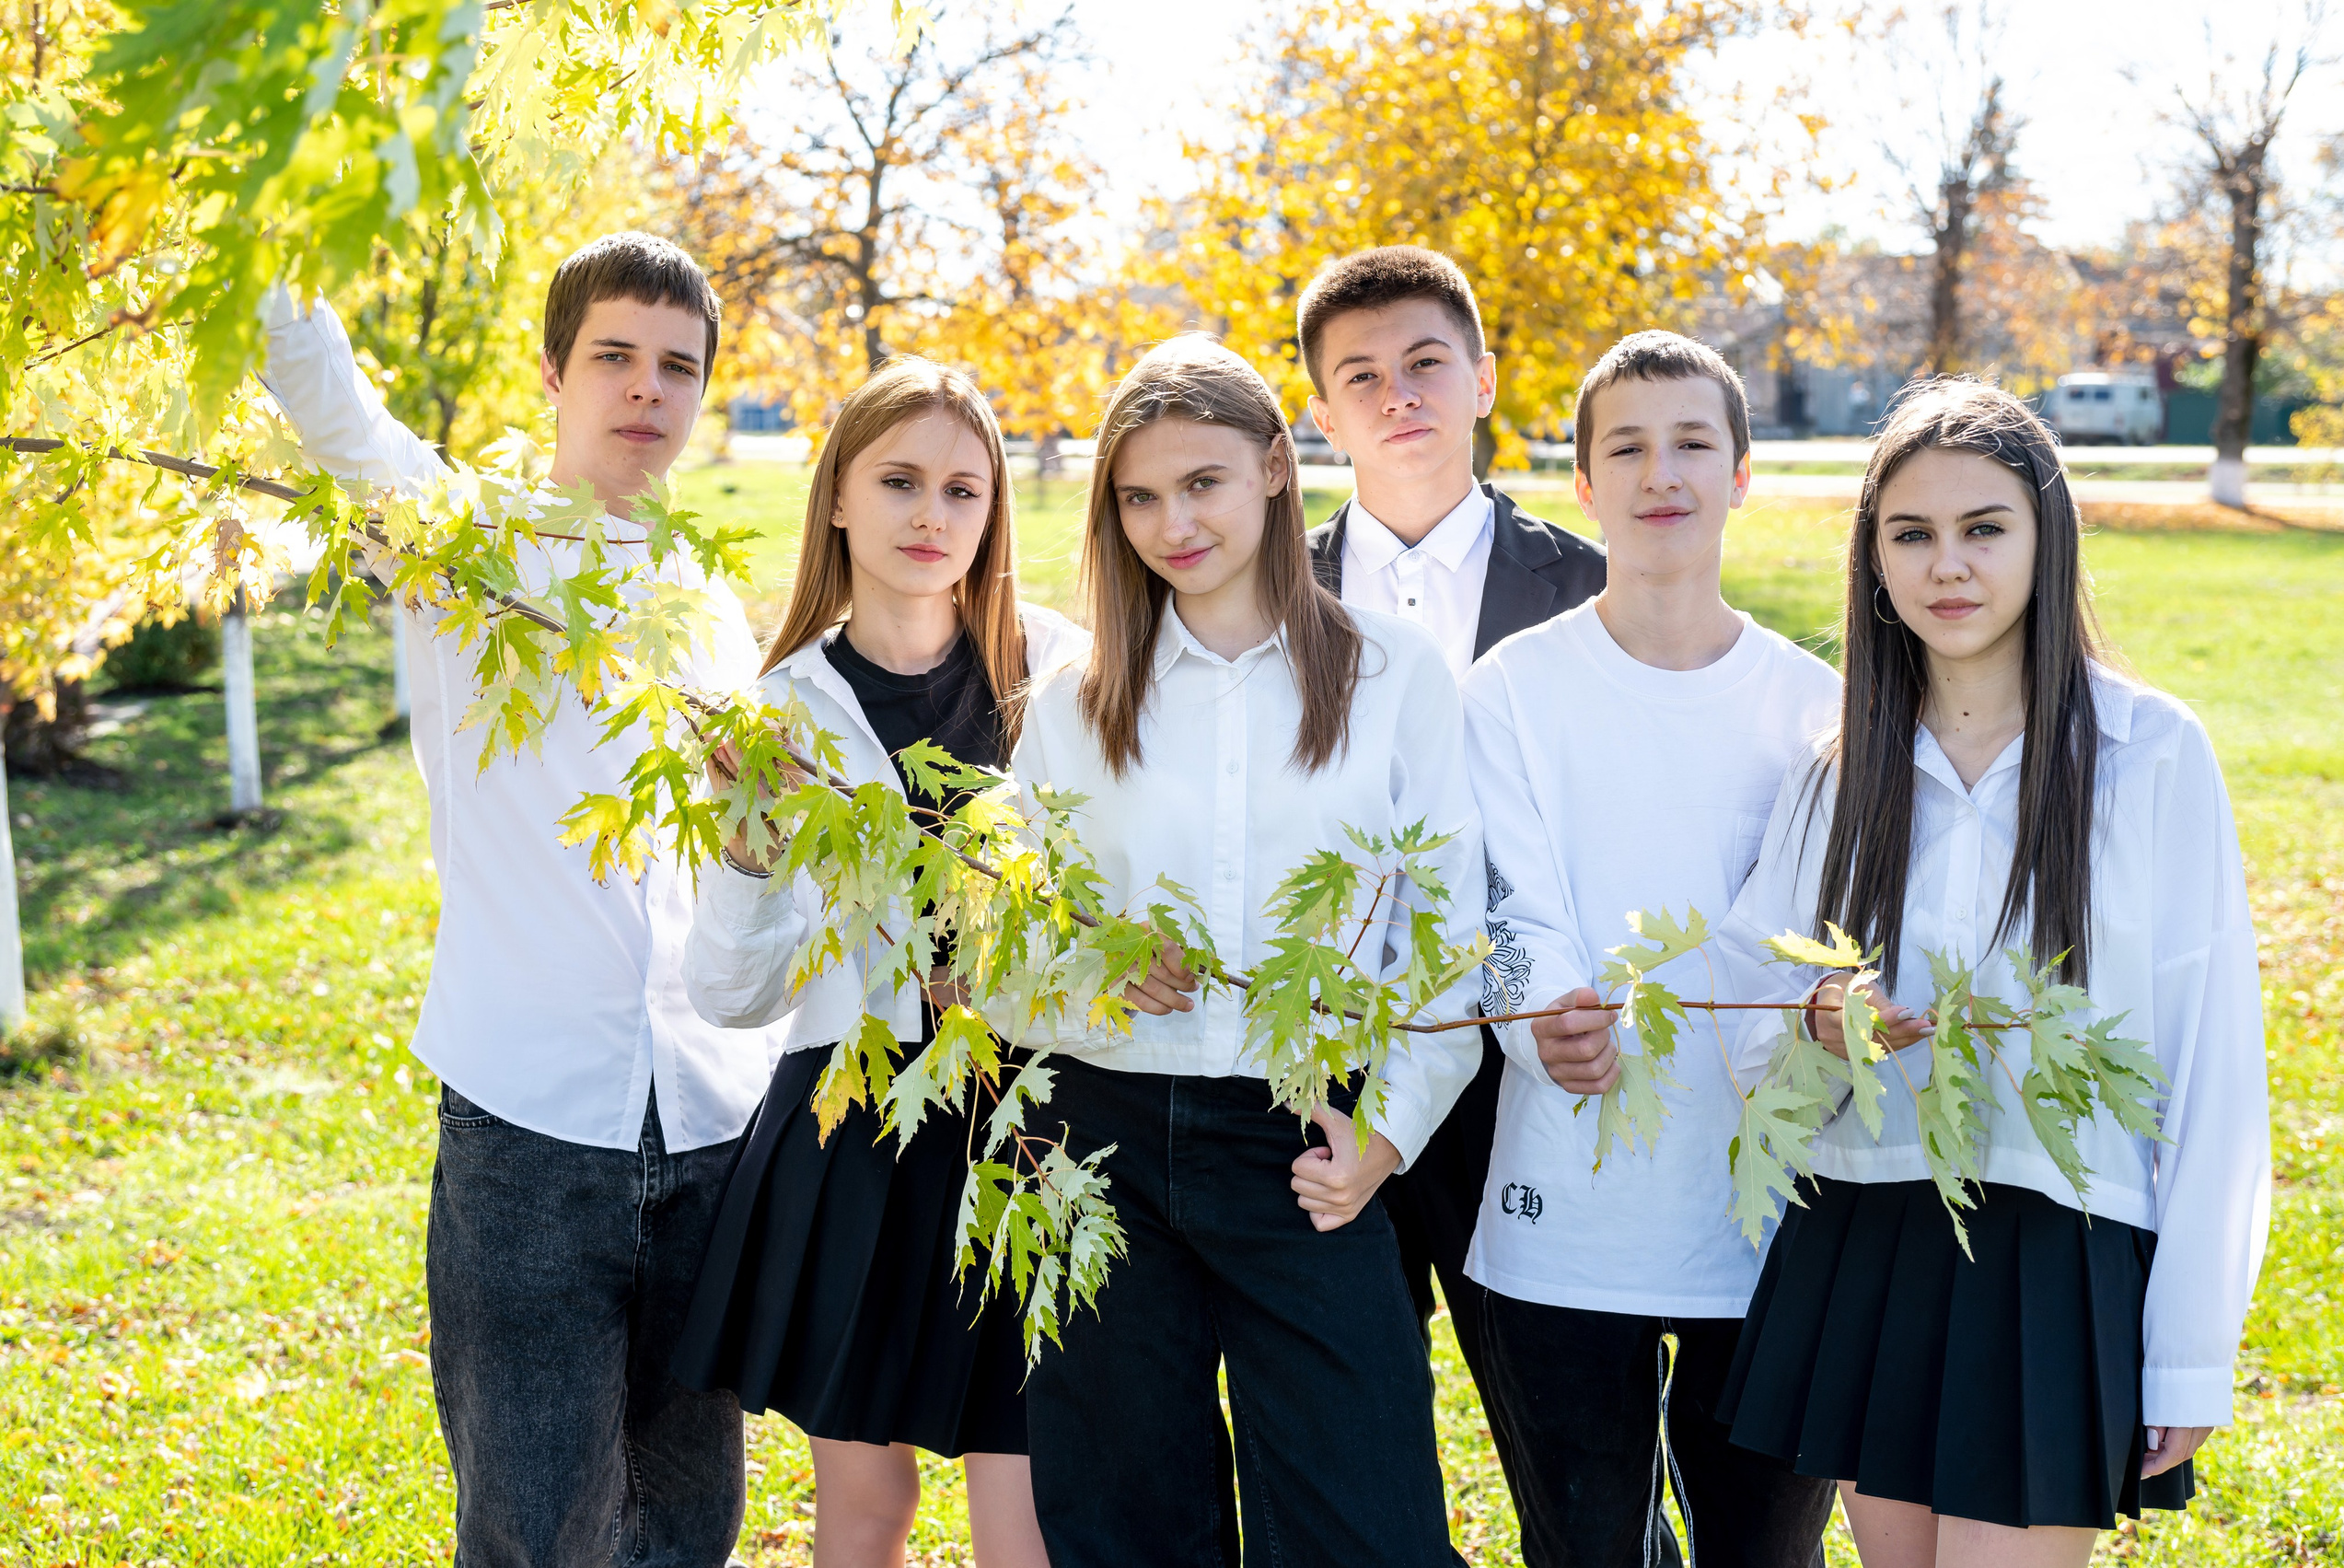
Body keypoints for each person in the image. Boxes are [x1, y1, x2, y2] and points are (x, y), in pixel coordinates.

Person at [257, 232, 781, 1566]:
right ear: (552, 372)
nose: (646, 388)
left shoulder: (714, 605)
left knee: (691, 1517)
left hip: (712, 1121)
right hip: (531, 1124)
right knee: (534, 1525)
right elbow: (331, 405)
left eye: (678, 366)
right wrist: (264, 225)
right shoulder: (464, 543)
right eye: (614, 355)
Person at [1712, 379, 2270, 1567]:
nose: (1947, 564)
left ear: (2044, 537)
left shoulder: (2147, 753)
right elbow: (1750, 1016)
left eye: (1984, 527)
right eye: (1910, 533)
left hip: (2057, 1243)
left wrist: (2189, 1348)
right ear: (1873, 558)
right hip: (1867, 1226)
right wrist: (1817, 1018)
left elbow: (2212, 1063)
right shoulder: (1838, 770)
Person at [1007, 335, 1483, 1567]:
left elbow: (1448, 941)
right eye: (1139, 496)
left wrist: (1385, 1136)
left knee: (1366, 1529)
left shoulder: (1391, 674)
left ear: (1276, 465)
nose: (1173, 523)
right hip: (1100, 1138)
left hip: (1305, 1142)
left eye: (1202, 481)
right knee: (1127, 1527)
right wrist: (1086, 972)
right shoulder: (1071, 700)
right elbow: (1003, 943)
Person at [672, 356, 1085, 1568]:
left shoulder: (1060, 675)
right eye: (899, 480)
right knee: (865, 1510)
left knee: (1028, 1510)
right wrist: (749, 861)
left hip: (1032, 1123)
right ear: (839, 496)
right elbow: (730, 993)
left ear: (992, 510)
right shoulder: (778, 712)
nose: (930, 514)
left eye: (963, 489)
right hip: (858, 1129)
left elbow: (1106, 910)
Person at [1458, 331, 1841, 1568]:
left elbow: (1821, 943)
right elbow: (1500, 904)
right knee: (1584, 1547)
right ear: (1582, 481)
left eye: (1691, 443)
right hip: (1564, 1213)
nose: (1660, 472)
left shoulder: (1817, 707)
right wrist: (1540, 1019)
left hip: (1764, 1219)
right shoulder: (1510, 689)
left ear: (1741, 473)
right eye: (1625, 446)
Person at [1294, 246, 1605, 1408]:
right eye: (1361, 377)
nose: (1398, 396)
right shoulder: (1270, 595)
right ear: (1322, 415)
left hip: (1533, 1050)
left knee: (1551, 1409)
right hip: (1335, 1058)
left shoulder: (1591, 589)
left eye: (1425, 362)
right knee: (1349, 1417)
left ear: (1483, 380)